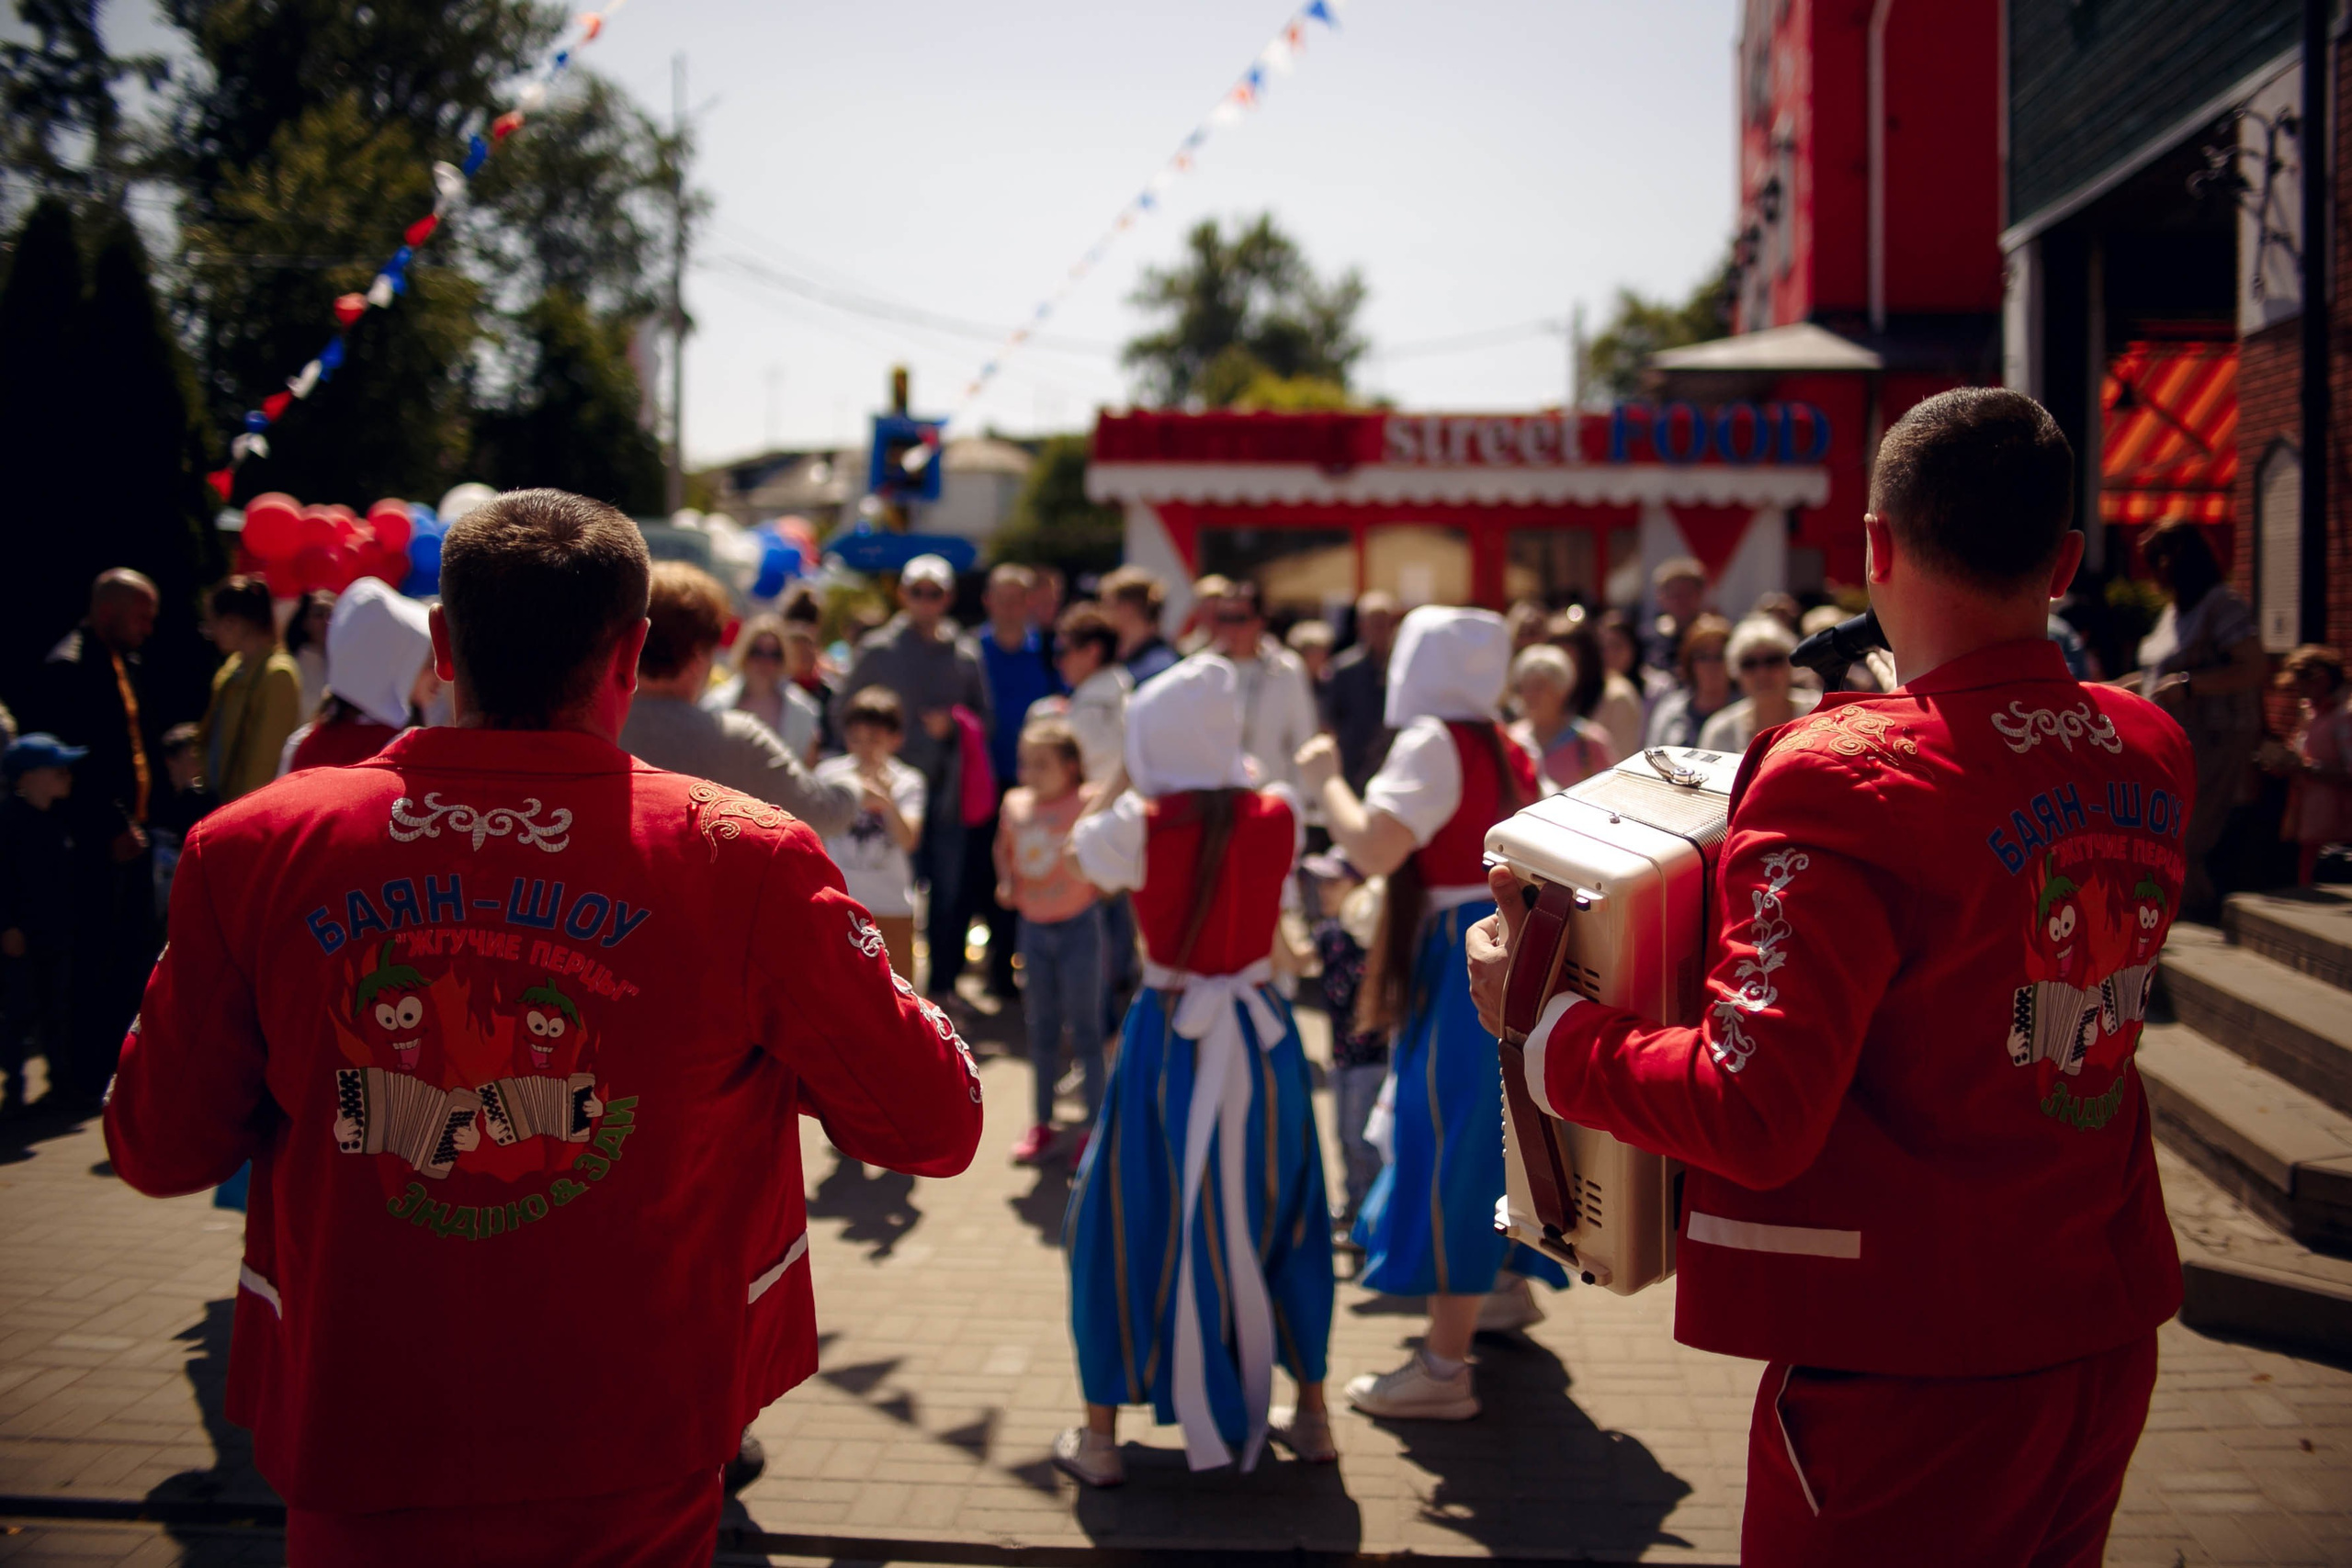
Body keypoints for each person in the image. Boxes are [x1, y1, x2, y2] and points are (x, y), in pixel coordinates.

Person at [103, 488, 984, 1564]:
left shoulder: (252, 848)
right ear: (633, 653)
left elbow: (155, 1148)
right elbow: (930, 1121)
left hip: (361, 1423)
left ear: (442, 644)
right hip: (629, 1438)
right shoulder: (741, 860)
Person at [1466, 388, 2193, 1566]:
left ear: (1873, 548)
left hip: (1907, 1368)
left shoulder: (1839, 775)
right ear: (2063, 561)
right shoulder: (2148, 744)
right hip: (2098, 1332)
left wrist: (1540, 1027)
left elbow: (1752, 1111)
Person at [1058, 657, 1336, 1485]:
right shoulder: (1278, 810)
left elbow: (1077, 858)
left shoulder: (1136, 824)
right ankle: (1314, 1417)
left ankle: (1102, 1437)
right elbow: (1245, 790)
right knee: (1283, 1205)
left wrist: (1124, 773)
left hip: (1167, 1036)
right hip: (1263, 1032)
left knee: (1121, 1214)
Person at [1297, 607, 1568, 1422]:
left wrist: (1324, 781)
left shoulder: (1435, 741)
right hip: (1507, 943)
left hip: (1462, 952)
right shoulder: (1505, 738)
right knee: (1495, 1131)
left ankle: (1445, 1367)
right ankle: (1502, 1293)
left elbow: (1374, 848)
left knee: (1447, 1138)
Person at [23, 570, 162, 1111]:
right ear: (108, 611)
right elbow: (77, 766)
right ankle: (78, 1077)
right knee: (87, 960)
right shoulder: (69, 666)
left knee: (126, 959)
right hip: (90, 848)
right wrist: (111, 825)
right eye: (141, 615)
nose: (149, 628)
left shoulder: (125, 664)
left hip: (129, 840)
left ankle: (112, 1067)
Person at [836, 555, 990, 1007]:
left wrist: (956, 724)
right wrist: (866, 753)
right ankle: (872, 987)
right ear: (903, 594)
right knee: (879, 888)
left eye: (935, 593)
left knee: (948, 894)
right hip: (884, 793)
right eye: (917, 591)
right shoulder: (878, 649)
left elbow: (987, 719)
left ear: (948, 598)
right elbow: (842, 711)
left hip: (945, 793)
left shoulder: (964, 654)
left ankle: (941, 987)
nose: (926, 601)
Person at [620, 563, 856, 840]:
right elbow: (824, 814)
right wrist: (851, 779)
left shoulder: (592, 726)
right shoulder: (738, 740)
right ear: (699, 656)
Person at [2135, 517, 2266, 916]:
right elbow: (2154, 675)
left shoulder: (2220, 604)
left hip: (2213, 739)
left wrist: (2190, 686)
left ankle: (2192, 914)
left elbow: (2254, 667)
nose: (2153, 571)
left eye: (2158, 559)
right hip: (2173, 743)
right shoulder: (2174, 611)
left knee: (2187, 837)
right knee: (2165, 833)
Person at [995, 717, 1102, 1166]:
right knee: (1040, 1029)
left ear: (1071, 767)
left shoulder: (1089, 801)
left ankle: (1093, 1128)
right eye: (1024, 763)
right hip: (1033, 929)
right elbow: (1002, 848)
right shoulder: (1014, 803)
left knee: (1087, 1030)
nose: (1029, 774)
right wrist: (1004, 880)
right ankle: (1041, 1124)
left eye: (1042, 764)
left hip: (1080, 926)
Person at [976, 564, 1064, 998]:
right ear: (987, 601)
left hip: (1038, 787)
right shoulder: (971, 651)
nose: (1010, 609)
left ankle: (1027, 968)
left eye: (1019, 599)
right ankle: (995, 969)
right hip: (983, 784)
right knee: (987, 877)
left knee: (1037, 870)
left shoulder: (1049, 652)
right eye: (1002, 599)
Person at [1301, 850, 1387, 1236]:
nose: (1322, 890)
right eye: (1320, 882)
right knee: (1343, 1137)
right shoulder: (1329, 934)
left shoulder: (1374, 933)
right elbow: (1296, 962)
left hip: (1373, 1057)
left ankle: (1372, 1221)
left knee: (1361, 1139)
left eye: (1332, 881)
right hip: (1342, 1056)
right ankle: (1355, 1211)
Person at [817, 688, 927, 980]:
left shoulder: (908, 781)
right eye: (856, 739)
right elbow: (814, 830)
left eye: (875, 740)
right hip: (840, 904)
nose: (864, 748)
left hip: (891, 906)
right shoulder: (829, 774)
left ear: (896, 739)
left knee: (897, 997)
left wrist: (887, 801)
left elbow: (908, 839)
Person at [0, 733, 84, 1117]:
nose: (65, 776)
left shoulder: (57, 822)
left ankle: (60, 1084)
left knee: (56, 1009)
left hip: (55, 934)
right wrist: (8, 926)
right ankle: (14, 1086)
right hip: (22, 936)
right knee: (17, 1011)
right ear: (28, 777)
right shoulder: (9, 822)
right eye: (56, 769)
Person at [280, 580, 443, 775]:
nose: (437, 674)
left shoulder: (302, 743)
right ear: (391, 666)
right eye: (427, 662)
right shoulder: (402, 749)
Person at [1204, 580, 1318, 796]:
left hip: (1270, 801)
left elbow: (1303, 740)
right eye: (1224, 619)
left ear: (1260, 621)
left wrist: (1297, 803)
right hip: (1217, 803)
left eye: (1240, 619)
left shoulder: (1286, 669)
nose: (1231, 628)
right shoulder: (1203, 670)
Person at [198, 576, 305, 803]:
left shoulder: (278, 675)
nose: (210, 633)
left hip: (244, 812)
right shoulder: (232, 668)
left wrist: (240, 815)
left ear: (232, 623)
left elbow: (264, 763)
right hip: (218, 805)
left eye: (212, 624)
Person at [706, 614, 823, 768]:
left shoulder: (804, 710)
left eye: (775, 654)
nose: (765, 662)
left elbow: (808, 768)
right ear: (744, 654)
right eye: (757, 652)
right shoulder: (715, 703)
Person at [2278, 644, 2352, 886]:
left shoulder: (2344, 716)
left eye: (2304, 684)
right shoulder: (2311, 713)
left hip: (2337, 822)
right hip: (2309, 816)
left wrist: (2308, 768)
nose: (2301, 693)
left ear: (2322, 678)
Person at [1698, 616, 1819, 755]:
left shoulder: (1820, 714)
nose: (1762, 673)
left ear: (1791, 664)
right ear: (1735, 672)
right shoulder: (1721, 732)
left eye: (1773, 660)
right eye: (1749, 664)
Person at [1042, 604, 1131, 786]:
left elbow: (1097, 781)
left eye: (1063, 652)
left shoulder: (1094, 708)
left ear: (1093, 651)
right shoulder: (1120, 689)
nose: (1057, 662)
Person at [1323, 591, 1401, 793]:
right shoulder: (1342, 669)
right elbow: (1330, 722)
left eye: (1385, 622)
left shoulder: (1404, 668)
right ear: (1361, 626)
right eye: (1374, 622)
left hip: (1393, 763)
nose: (1380, 629)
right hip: (1353, 765)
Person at [1509, 645, 1613, 791]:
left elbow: (1610, 793)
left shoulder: (1588, 744)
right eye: (1526, 686)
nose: (1530, 695)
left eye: (1540, 686)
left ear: (1561, 690)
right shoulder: (1511, 740)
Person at [1550, 607, 1643, 764]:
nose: (1561, 666)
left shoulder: (1618, 696)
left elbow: (1624, 763)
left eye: (1568, 658)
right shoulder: (1554, 696)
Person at [1644, 614, 1736, 750]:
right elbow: (1652, 755)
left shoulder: (1746, 712)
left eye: (1719, 656)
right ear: (1689, 662)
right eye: (1703, 657)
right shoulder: (1669, 711)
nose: (1711, 665)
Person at [779, 590, 840, 756]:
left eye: (808, 646)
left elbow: (834, 741)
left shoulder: (828, 691)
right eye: (797, 647)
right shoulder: (772, 689)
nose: (803, 655)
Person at [1101, 566, 1178, 685]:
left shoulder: (1159, 665)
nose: (1103, 612)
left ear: (1128, 608)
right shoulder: (1122, 657)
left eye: (1109, 604)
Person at [1643, 557, 1708, 674]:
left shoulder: (1713, 637)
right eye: (1674, 594)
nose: (1680, 601)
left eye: (1687, 593)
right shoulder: (1648, 638)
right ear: (1660, 598)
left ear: (1700, 595)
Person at [284, 590, 336, 718]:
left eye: (331, 615)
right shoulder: (291, 668)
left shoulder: (343, 668)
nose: (326, 622)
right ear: (304, 622)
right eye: (318, 615)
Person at [1287, 619, 1336, 687]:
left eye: (1323, 652)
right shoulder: (1288, 681)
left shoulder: (1330, 681)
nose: (1322, 658)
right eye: (1314, 653)